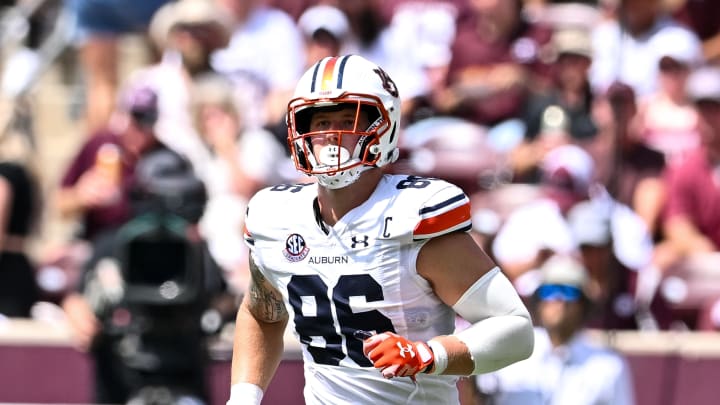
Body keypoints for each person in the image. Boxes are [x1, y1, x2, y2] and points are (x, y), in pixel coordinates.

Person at [225, 55, 534, 405]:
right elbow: (261, 313)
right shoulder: (277, 217)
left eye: (348, 119)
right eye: (321, 120)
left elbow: (516, 330)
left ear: (383, 127)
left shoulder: (412, 218)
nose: (331, 134)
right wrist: (243, 398)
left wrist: (428, 355)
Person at [464, 254, 636, 405]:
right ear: (539, 301)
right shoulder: (510, 352)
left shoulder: (608, 367)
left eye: (568, 291)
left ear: (583, 304)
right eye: (549, 291)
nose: (558, 299)